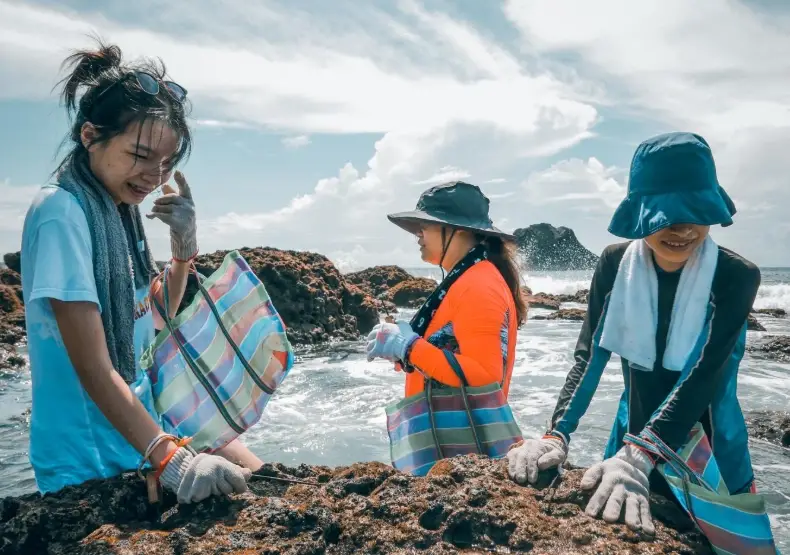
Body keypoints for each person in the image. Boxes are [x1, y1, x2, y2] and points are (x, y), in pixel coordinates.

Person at [20, 40, 262, 502]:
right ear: (90, 136)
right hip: (90, 457)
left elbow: (150, 316)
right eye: (140, 154)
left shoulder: (116, 208)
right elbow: (93, 366)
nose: (155, 174)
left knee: (261, 475)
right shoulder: (62, 212)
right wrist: (171, 460)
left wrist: (183, 252)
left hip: (139, 432)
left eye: (166, 161)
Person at [506, 131, 761, 535]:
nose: (683, 229)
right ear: (640, 213)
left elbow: (705, 372)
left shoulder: (735, 276)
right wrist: (557, 434)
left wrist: (642, 455)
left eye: (696, 212)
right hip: (625, 450)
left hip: (713, 457)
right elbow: (589, 358)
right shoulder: (614, 264)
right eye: (665, 217)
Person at [366, 180, 527, 426]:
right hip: (453, 442)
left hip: (463, 449)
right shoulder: (467, 277)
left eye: (426, 225)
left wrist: (408, 347)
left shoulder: (479, 284)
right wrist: (406, 352)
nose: (418, 233)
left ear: (459, 230)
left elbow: (485, 378)